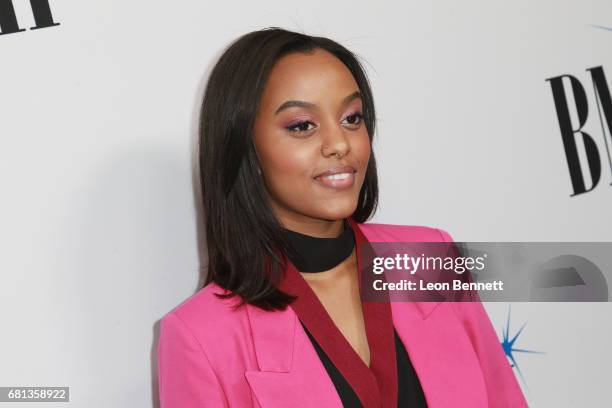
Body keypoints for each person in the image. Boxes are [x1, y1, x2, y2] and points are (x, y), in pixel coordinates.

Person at [156, 27, 528, 407]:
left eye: (352, 118)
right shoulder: (199, 335)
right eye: (302, 126)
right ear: (244, 148)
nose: (340, 144)